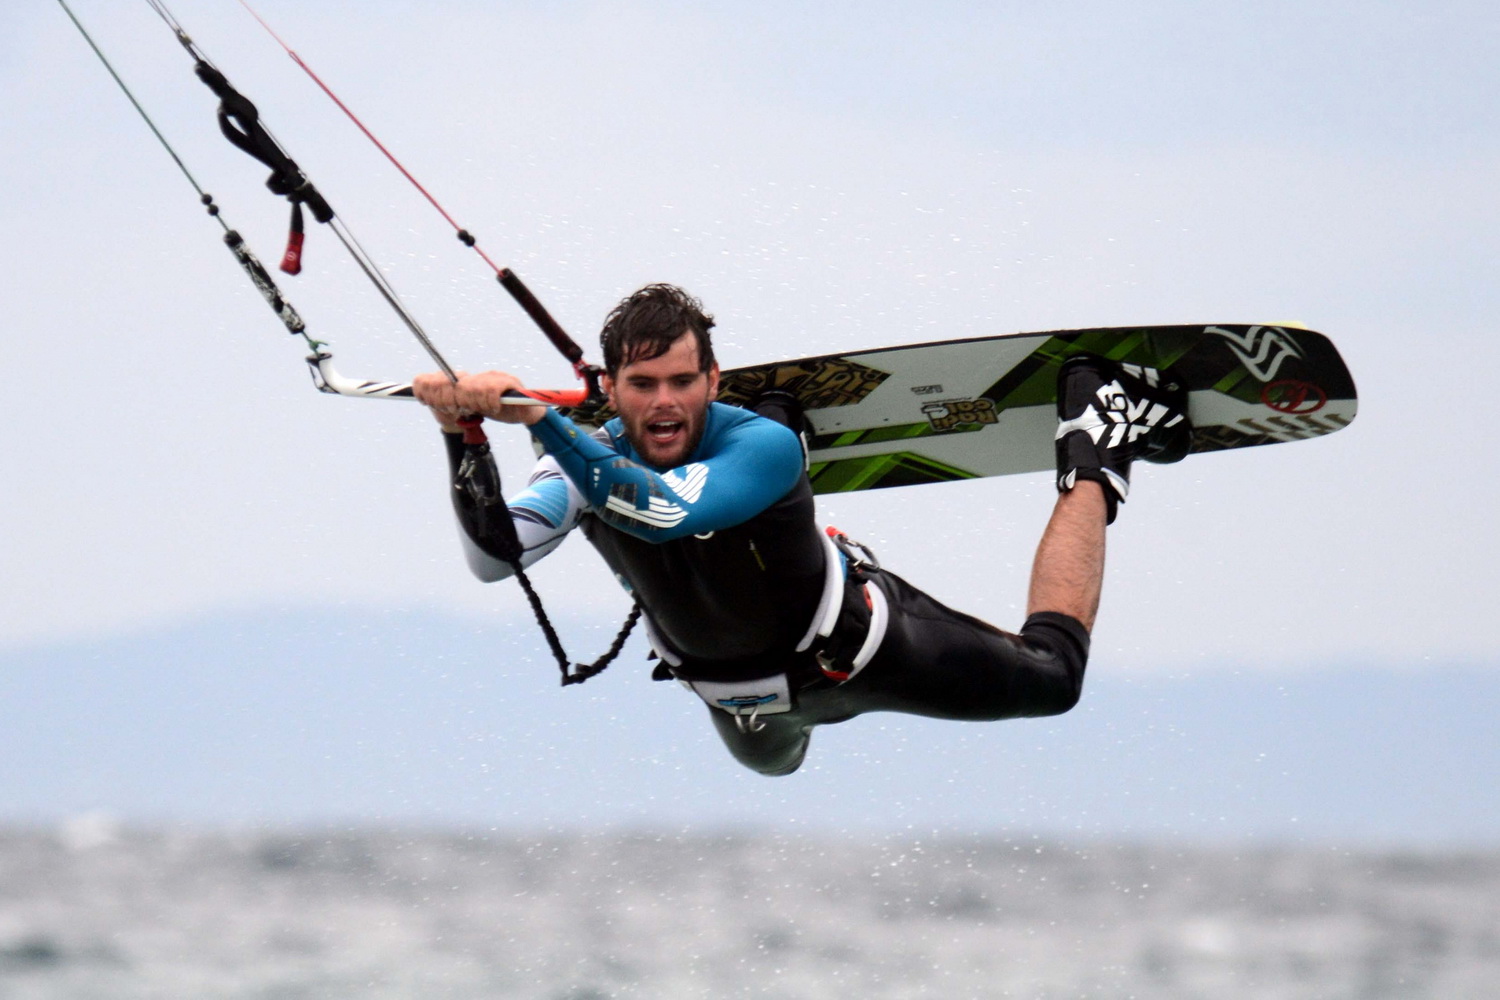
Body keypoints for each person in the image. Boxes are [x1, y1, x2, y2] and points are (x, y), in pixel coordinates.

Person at [413, 284, 1189, 776]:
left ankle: (1098, 434)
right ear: (609, 389)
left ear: (713, 381)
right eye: (642, 386)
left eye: (684, 382)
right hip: (737, 700)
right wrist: (465, 435)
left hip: (865, 651)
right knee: (772, 771)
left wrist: (545, 421)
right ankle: (788, 407)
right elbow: (496, 557)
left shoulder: (757, 450)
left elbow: (664, 510)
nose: (663, 403)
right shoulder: (584, 462)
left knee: (1053, 683)